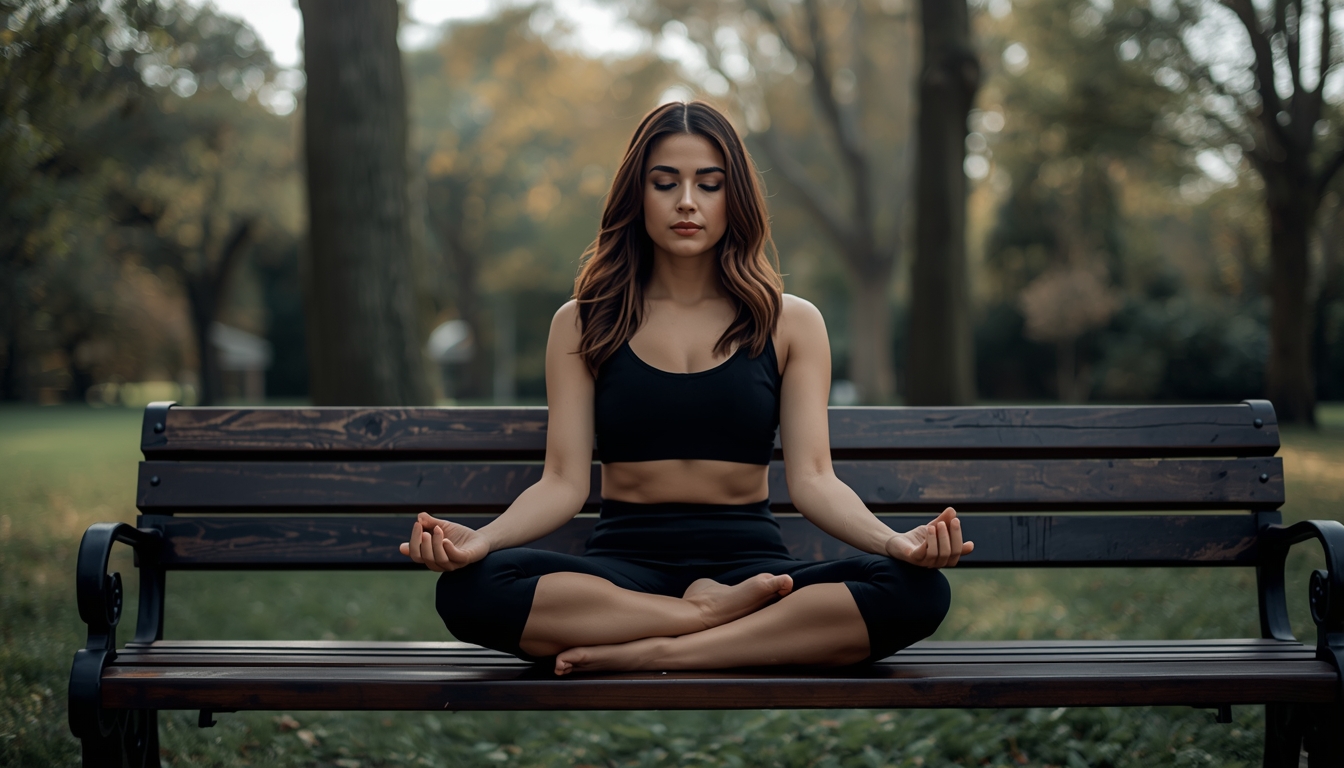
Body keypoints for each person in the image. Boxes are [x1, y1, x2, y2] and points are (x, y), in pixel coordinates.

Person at [400, 101, 973, 676]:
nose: (686, 202)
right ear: (637, 195)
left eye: (709, 184)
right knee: (470, 591)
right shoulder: (582, 321)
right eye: (664, 183)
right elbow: (563, 482)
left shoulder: (790, 322)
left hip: (752, 566)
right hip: (624, 569)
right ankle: (701, 617)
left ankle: (662, 647)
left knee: (915, 591)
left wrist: (895, 543)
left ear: (735, 197)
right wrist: (480, 542)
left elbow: (815, 479)